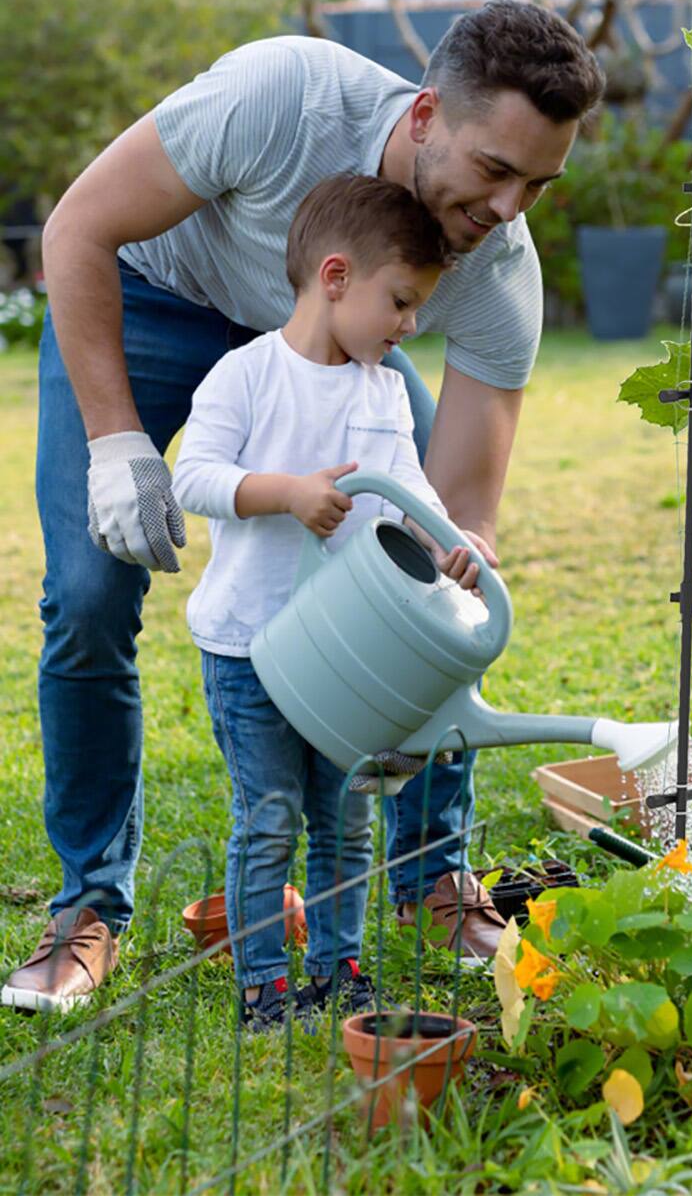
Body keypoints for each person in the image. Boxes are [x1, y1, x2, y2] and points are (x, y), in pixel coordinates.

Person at [6, 1, 603, 1012]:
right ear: (425, 115)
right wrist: (116, 443)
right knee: (89, 592)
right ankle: (88, 907)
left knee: (441, 593)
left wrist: (455, 555)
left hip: (340, 346)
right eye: (495, 169)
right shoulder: (281, 99)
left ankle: (429, 875)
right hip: (154, 300)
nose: (511, 209)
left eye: (539, 184)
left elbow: (461, 519)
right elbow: (76, 228)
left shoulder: (499, 271)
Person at [172, 174, 480, 1027]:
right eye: (401, 302)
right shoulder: (245, 375)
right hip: (251, 648)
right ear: (336, 277)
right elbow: (193, 476)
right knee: (269, 820)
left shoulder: (383, 388)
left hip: (344, 657)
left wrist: (446, 541)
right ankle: (264, 983)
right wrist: (287, 493)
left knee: (346, 821)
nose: (409, 325)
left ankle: (337, 967)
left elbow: (408, 488)